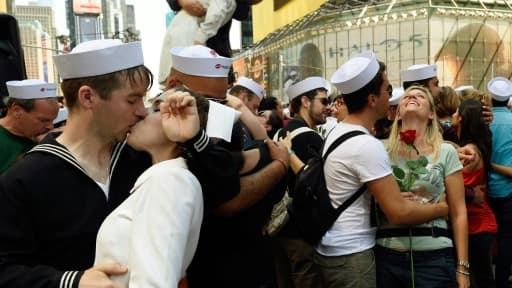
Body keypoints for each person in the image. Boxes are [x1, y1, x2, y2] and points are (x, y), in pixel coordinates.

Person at [0, 39, 241, 288]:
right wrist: (71, 281)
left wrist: (193, 139)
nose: (143, 111)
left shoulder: (142, 156)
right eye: (132, 100)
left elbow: (226, 188)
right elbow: (6, 270)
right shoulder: (24, 179)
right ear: (87, 97)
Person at [314, 51, 450, 288]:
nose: (391, 96)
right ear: (372, 99)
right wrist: (442, 208)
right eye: (387, 90)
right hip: (352, 255)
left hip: (333, 247)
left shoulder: (339, 131)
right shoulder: (366, 145)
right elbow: (399, 213)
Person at [164, 44, 289, 287]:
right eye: (208, 100)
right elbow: (226, 202)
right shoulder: (158, 132)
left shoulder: (219, 118)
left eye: (223, 99)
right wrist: (279, 167)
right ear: (173, 87)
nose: (218, 108)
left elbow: (235, 166)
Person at [94, 89, 205, 287]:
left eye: (156, 108)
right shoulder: (166, 177)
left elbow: (155, 283)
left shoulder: (169, 180)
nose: (143, 113)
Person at [377, 85, 469, 288]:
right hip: (387, 254)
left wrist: (463, 267)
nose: (412, 96)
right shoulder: (379, 150)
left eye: (420, 95)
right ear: (398, 113)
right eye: (406, 96)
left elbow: (459, 211)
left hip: (434, 256)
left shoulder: (445, 152)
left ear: (430, 114)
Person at [272, 76, 330, 288]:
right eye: (323, 101)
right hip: (302, 235)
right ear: (306, 102)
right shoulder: (310, 138)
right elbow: (317, 186)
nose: (328, 107)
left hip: (279, 228)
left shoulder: (280, 133)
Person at [452, 98, 497, 288]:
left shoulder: (468, 152)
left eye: (456, 112)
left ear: (461, 119)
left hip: (476, 224)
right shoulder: (475, 146)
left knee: (479, 281)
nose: (452, 116)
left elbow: (452, 186)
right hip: (478, 222)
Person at [158, 0, 237, 85]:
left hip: (192, 37)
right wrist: (200, 39)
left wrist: (200, 38)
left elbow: (219, 13)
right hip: (186, 35)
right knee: (186, 81)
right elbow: (216, 14)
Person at [0, 79, 59, 173]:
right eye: (43, 120)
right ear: (17, 110)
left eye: (52, 120)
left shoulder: (42, 139)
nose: (50, 127)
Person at [487, 76, 512, 288]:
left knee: (485, 237)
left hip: (483, 189)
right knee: (506, 238)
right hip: (508, 190)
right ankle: (502, 282)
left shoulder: (484, 121)